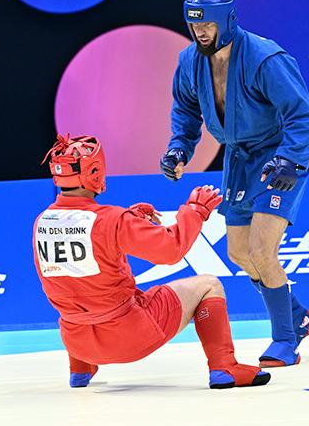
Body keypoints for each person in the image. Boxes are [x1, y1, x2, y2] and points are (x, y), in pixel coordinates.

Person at [160, 0, 309, 367]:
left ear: (227, 20)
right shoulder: (189, 61)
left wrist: (290, 159)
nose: (200, 32)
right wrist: (180, 147)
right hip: (238, 158)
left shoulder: (265, 58)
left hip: (278, 157)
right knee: (239, 253)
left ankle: (285, 340)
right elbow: (186, 110)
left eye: (207, 24)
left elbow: (302, 115)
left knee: (262, 251)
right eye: (194, 25)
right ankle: (297, 316)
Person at [33, 133, 271, 390]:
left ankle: (80, 371)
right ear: (95, 171)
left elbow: (88, 249)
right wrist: (195, 212)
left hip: (77, 343)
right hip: (128, 337)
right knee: (209, 285)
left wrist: (130, 218)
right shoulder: (112, 220)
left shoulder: (42, 222)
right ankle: (224, 366)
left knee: (73, 288)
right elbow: (171, 250)